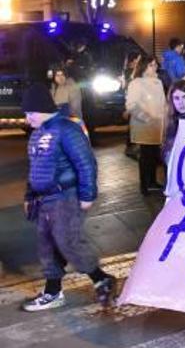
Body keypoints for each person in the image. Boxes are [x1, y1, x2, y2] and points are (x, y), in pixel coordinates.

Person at [20, 84, 116, 311]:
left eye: (29, 112)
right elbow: (35, 169)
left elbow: (86, 163)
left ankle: (101, 278)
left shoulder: (66, 129)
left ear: (41, 108)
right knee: (47, 245)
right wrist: (29, 195)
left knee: (67, 242)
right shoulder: (37, 133)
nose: (26, 118)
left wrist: (87, 194)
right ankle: (53, 291)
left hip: (66, 196)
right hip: (44, 200)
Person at [125, 56, 166, 195]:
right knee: (145, 155)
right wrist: (146, 118)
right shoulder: (136, 83)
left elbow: (163, 103)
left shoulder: (158, 82)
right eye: (150, 65)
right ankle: (145, 185)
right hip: (144, 125)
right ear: (143, 66)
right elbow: (131, 105)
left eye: (155, 64)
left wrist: (164, 118)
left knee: (154, 154)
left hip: (157, 125)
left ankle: (153, 181)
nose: (154, 67)